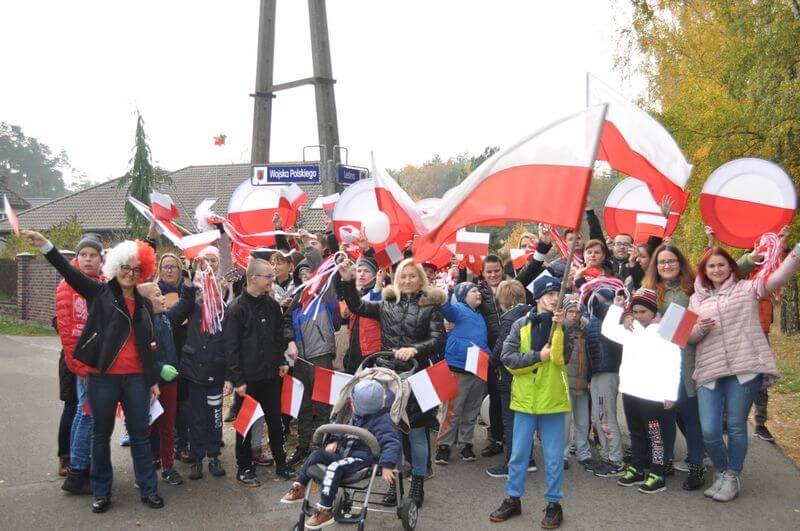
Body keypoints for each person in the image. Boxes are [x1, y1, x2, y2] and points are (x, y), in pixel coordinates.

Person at [23, 230, 164, 513]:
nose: (130, 273)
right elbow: (69, 272)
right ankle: (101, 492)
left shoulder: (145, 305)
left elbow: (148, 346)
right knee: (100, 435)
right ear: (115, 267)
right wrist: (46, 246)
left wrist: (152, 381)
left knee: (140, 435)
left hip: (136, 379)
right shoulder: (99, 293)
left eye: (136, 269)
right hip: (103, 378)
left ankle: (149, 489)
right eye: (125, 267)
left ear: (142, 272)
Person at [688, 243, 800, 501]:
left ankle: (731, 476)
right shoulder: (696, 299)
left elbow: (777, 279)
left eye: (721, 265)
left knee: (736, 426)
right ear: (704, 270)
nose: (716, 270)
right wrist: (701, 329)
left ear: (731, 267)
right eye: (711, 266)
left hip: (744, 369)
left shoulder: (747, 288)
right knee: (710, 429)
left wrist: (795, 254)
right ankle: (722, 470)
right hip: (710, 370)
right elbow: (689, 337)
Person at [339, 257, 446, 507]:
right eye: (403, 276)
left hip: (416, 377)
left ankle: (417, 483)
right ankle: (393, 486)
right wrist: (347, 280)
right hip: (388, 378)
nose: (407, 280)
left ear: (421, 279)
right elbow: (356, 306)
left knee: (417, 433)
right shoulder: (386, 304)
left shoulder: (431, 307)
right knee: (392, 433)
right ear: (396, 280)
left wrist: (414, 349)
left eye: (412, 276)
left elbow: (438, 339)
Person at [490, 276, 570, 529]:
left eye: (557, 294)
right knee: (518, 455)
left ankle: (554, 504)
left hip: (553, 400)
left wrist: (559, 330)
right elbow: (508, 359)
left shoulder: (563, 325)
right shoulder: (520, 324)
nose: (554, 298)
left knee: (554, 458)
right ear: (537, 298)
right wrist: (537, 356)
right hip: (525, 401)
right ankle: (513, 499)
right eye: (549, 294)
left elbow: (560, 358)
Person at [280, 379, 402, 529]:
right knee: (316, 455)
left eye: (353, 403)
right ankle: (300, 486)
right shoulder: (354, 414)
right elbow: (341, 428)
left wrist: (387, 465)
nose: (350, 404)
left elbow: (391, 443)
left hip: (361, 459)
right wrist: (335, 441)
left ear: (363, 406)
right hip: (344, 453)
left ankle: (325, 510)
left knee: (334, 467)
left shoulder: (382, 421)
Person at [224, 258, 295, 486]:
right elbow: (231, 348)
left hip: (271, 375)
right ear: (253, 278)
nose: (272, 280)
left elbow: (278, 334)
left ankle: (281, 463)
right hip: (248, 380)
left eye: (273, 276)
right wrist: (237, 379)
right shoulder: (236, 309)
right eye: (268, 277)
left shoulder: (271, 305)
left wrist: (282, 359)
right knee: (245, 424)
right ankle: (244, 467)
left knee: (275, 422)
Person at [642, 244, 706, 490]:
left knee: (690, 416)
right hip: (659, 361)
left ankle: (697, 467)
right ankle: (665, 461)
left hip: (686, 360)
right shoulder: (649, 289)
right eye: (662, 262)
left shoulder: (693, 287)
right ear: (655, 266)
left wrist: (752, 258)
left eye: (671, 261)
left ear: (680, 263)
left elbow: (724, 271)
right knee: (665, 416)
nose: (666, 265)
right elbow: (636, 313)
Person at [284, 244, 341, 468]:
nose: (305, 275)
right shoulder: (297, 299)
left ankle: (322, 446)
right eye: (301, 273)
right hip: (300, 359)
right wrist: (290, 341)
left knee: (323, 403)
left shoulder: (325, 295)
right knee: (303, 405)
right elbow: (286, 322)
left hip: (321, 356)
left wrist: (311, 249)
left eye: (309, 271)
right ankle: (303, 445)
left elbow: (323, 268)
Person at [56, 233, 104, 493]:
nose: (88, 259)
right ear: (76, 258)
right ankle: (78, 473)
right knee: (88, 415)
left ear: (101, 259)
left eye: (93, 255)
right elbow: (70, 331)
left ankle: (79, 467)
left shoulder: (98, 281)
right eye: (83, 255)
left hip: (93, 362)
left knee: (82, 414)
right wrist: (83, 367)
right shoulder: (71, 285)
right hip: (85, 364)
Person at [136, 281, 195, 486]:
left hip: (170, 383)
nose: (163, 298)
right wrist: (159, 367)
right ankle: (145, 470)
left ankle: (168, 467)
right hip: (149, 384)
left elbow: (184, 305)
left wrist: (189, 283)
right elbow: (139, 354)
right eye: (157, 295)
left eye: (161, 294)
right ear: (144, 301)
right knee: (146, 428)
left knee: (168, 426)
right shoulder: (139, 324)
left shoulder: (166, 318)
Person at [180, 245, 228, 481]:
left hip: (216, 368)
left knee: (215, 415)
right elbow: (182, 305)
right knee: (196, 416)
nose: (210, 264)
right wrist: (190, 279)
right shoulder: (192, 291)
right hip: (195, 367)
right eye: (205, 260)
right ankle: (197, 457)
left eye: (214, 260)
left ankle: (214, 454)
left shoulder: (226, 290)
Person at [434, 282, 490, 464]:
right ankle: (444, 445)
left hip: (478, 369)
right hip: (458, 369)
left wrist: (489, 356)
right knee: (452, 410)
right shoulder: (458, 309)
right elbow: (447, 309)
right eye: (473, 291)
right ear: (463, 296)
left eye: (478, 290)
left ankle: (466, 443)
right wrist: (449, 292)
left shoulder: (480, 315)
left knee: (471, 411)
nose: (478, 293)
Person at [485, 280, 532, 479]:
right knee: (525, 418)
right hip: (528, 372)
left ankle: (513, 463)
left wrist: (489, 363)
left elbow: (501, 348)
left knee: (511, 421)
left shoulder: (509, 318)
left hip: (509, 374)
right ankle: (528, 459)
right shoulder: (531, 313)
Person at [581, 287, 624, 477]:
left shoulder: (610, 312)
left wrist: (591, 289)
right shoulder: (593, 318)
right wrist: (589, 376)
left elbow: (595, 303)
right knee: (598, 417)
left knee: (606, 417)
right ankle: (607, 456)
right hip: (597, 372)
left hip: (609, 370)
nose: (594, 299)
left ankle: (616, 459)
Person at [156, 253, 192, 464]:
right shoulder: (153, 292)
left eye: (173, 266)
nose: (169, 270)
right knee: (162, 403)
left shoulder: (186, 291)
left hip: (185, 350)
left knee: (184, 402)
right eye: (165, 266)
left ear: (180, 269)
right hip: (163, 355)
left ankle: (183, 443)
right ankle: (160, 450)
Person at [476, 254, 508, 457]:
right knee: (495, 398)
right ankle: (496, 439)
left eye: (497, 270)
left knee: (514, 398)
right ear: (483, 273)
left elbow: (530, 270)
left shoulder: (511, 287)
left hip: (514, 351)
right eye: (489, 272)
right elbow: (462, 309)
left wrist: (542, 247)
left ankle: (515, 440)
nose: (493, 274)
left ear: (502, 270)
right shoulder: (477, 293)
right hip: (490, 354)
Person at [561, 294, 594, 471]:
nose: (574, 315)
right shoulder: (561, 330)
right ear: (564, 312)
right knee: (565, 422)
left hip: (583, 382)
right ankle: (562, 454)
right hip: (566, 382)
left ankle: (583, 452)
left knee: (583, 421)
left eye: (577, 312)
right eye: (571, 311)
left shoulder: (586, 330)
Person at [339, 257, 384, 375]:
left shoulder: (383, 293)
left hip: (371, 352)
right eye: (359, 271)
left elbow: (374, 303)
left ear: (376, 275)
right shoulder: (357, 292)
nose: (362, 274)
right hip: (355, 348)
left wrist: (378, 286)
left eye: (366, 271)